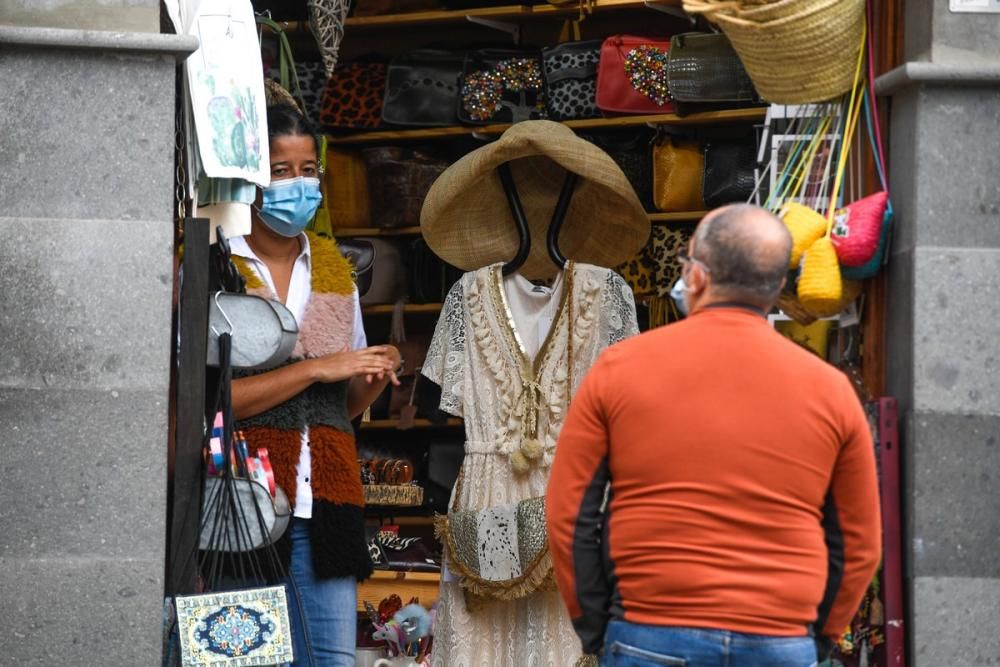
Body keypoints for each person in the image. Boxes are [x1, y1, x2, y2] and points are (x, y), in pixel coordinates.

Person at [546, 204, 882, 667]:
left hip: (650, 632)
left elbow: (568, 514)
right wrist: (814, 636)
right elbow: (860, 542)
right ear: (776, 287)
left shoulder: (619, 370)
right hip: (780, 638)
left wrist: (597, 628)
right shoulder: (831, 391)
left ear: (698, 277)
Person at [229, 100, 401, 667]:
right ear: (251, 178)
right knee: (254, 656)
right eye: (281, 171)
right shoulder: (217, 267)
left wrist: (372, 376)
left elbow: (339, 409)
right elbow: (206, 405)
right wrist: (314, 368)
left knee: (334, 661)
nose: (297, 184)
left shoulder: (332, 268)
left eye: (308, 171)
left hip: (326, 503)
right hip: (243, 504)